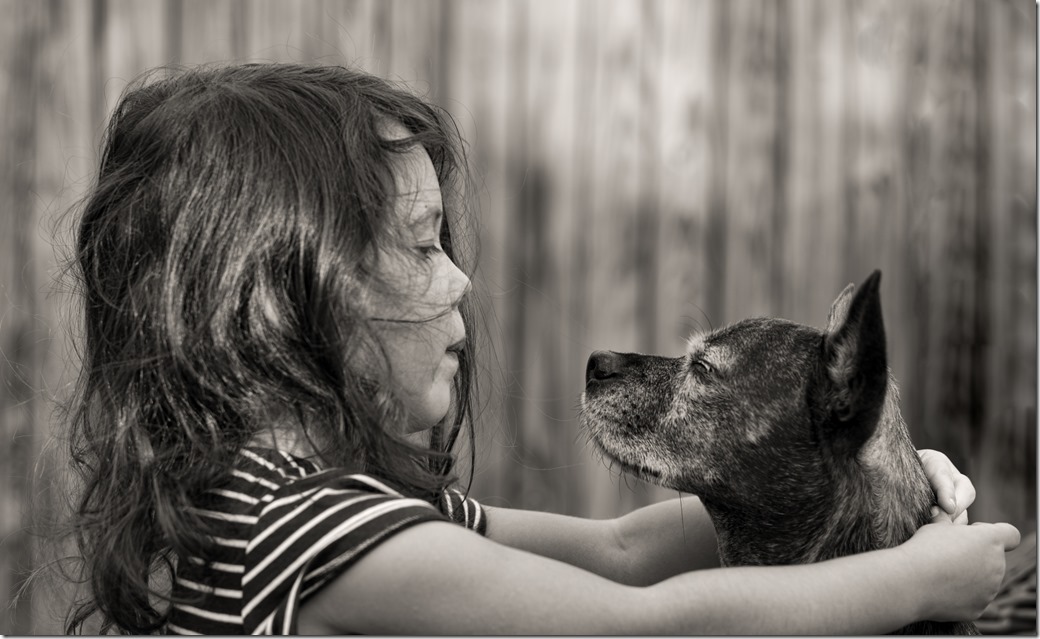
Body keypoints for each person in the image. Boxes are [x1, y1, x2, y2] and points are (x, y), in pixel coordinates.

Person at [61, 63, 1018, 635]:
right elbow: (641, 624)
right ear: (283, 294)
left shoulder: (275, 503)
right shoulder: (322, 538)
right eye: (423, 243)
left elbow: (622, 548)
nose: (461, 280)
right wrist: (908, 583)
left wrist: (862, 489)